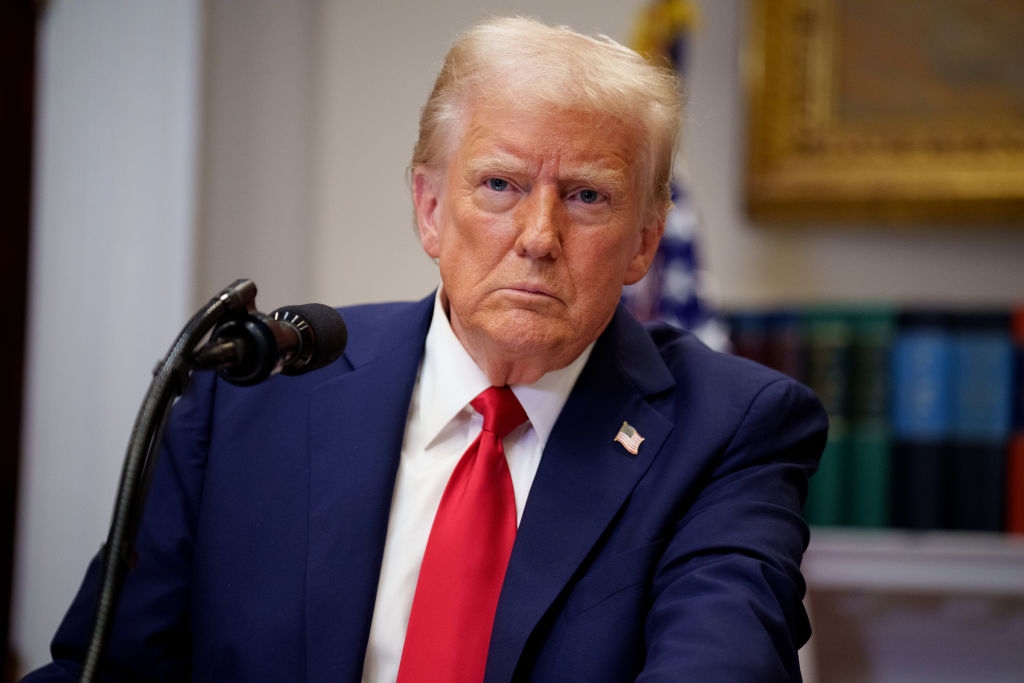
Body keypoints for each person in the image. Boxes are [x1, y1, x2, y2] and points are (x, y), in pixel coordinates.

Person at [24, 15, 827, 682]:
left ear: (647, 240)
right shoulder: (247, 395)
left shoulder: (728, 432)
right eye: (500, 185)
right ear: (430, 208)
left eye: (587, 196)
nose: (539, 237)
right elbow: (103, 667)